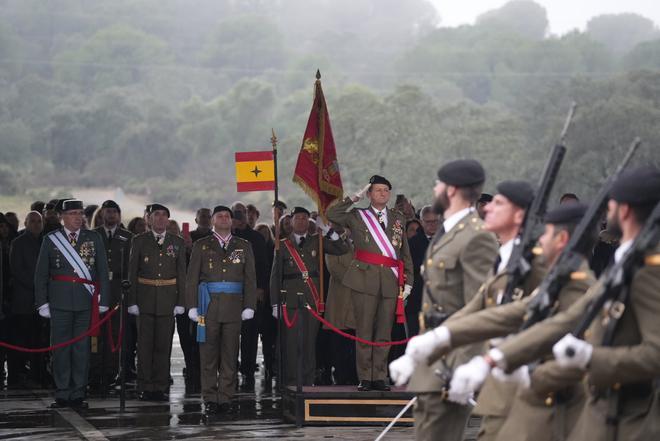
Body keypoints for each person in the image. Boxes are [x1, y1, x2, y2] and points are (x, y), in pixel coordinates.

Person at [449, 166, 660, 441]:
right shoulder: (627, 261)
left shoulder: (647, 271)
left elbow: (654, 353)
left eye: (612, 202)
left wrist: (588, 358)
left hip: (630, 419)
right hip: (602, 414)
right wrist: (494, 359)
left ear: (625, 210)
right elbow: (566, 318)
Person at [401, 160, 499, 441]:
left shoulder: (475, 236)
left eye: (439, 184)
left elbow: (480, 306)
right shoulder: (448, 232)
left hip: (452, 358)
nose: (435, 189)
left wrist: (466, 364)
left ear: (452, 190)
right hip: (433, 355)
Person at [326, 175, 414, 392]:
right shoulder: (358, 216)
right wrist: (354, 198)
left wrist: (409, 280)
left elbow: (404, 252)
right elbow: (331, 214)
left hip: (390, 281)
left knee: (384, 331)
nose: (382, 194)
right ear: (369, 194)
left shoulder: (398, 218)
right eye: (377, 190)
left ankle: (380, 376)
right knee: (364, 330)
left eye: (386, 190)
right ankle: (365, 376)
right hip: (364, 279)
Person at [34, 199, 110, 408]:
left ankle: (78, 392)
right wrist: (42, 303)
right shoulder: (51, 239)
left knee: (81, 349)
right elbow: (41, 274)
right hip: (59, 303)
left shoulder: (93, 238)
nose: (79, 217)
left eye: (81, 213)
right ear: (62, 217)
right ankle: (62, 391)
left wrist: (104, 299)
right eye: (74, 213)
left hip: (86, 302)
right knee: (60, 350)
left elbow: (103, 271)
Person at [186, 205, 257, 414]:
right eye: (220, 216)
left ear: (232, 221)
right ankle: (209, 396)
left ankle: (226, 396)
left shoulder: (243, 245)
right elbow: (191, 278)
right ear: (213, 220)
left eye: (228, 216)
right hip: (207, 306)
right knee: (207, 354)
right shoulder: (201, 245)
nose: (224, 219)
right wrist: (191, 306)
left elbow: (250, 279)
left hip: (234, 307)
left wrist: (249, 305)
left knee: (230, 353)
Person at [270, 207, 348, 386]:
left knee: (309, 344)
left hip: (312, 299)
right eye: (297, 218)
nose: (301, 221)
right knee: (291, 344)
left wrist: (328, 230)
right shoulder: (282, 244)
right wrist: (275, 304)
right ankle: (290, 382)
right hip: (289, 300)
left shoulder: (317, 241)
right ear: (290, 222)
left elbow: (341, 248)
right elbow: (275, 276)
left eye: (305, 218)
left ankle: (307, 381)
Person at [127, 203, 186, 401]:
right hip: (144, 298)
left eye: (164, 216)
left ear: (168, 220)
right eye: (156, 215)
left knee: (163, 345)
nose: (160, 219)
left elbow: (182, 274)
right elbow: (132, 272)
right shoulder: (139, 241)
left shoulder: (176, 241)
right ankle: (145, 385)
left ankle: (160, 385)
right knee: (144, 346)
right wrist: (132, 301)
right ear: (149, 219)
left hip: (168, 300)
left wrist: (181, 300)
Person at [90, 200, 133, 392]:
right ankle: (94, 373)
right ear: (102, 214)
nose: (111, 215)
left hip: (117, 289)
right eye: (108, 212)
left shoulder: (128, 237)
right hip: (97, 289)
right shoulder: (92, 235)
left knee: (116, 334)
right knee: (95, 334)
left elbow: (132, 267)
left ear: (119, 215)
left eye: (115, 212)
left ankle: (112, 373)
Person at [231, 201, 269, 391]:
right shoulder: (227, 236)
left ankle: (247, 369)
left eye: (241, 213)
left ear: (247, 214)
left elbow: (263, 265)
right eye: (235, 214)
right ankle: (230, 368)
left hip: (251, 291)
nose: (239, 217)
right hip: (231, 292)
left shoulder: (256, 238)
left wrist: (261, 288)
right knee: (230, 334)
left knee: (250, 333)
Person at [7, 211, 44, 388]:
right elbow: (17, 270)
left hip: (41, 302)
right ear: (26, 223)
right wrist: (38, 287)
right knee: (21, 341)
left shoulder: (44, 242)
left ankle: (36, 375)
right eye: (33, 221)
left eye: (39, 221)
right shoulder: (18, 243)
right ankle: (17, 376)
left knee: (39, 341)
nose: (36, 224)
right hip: (24, 301)